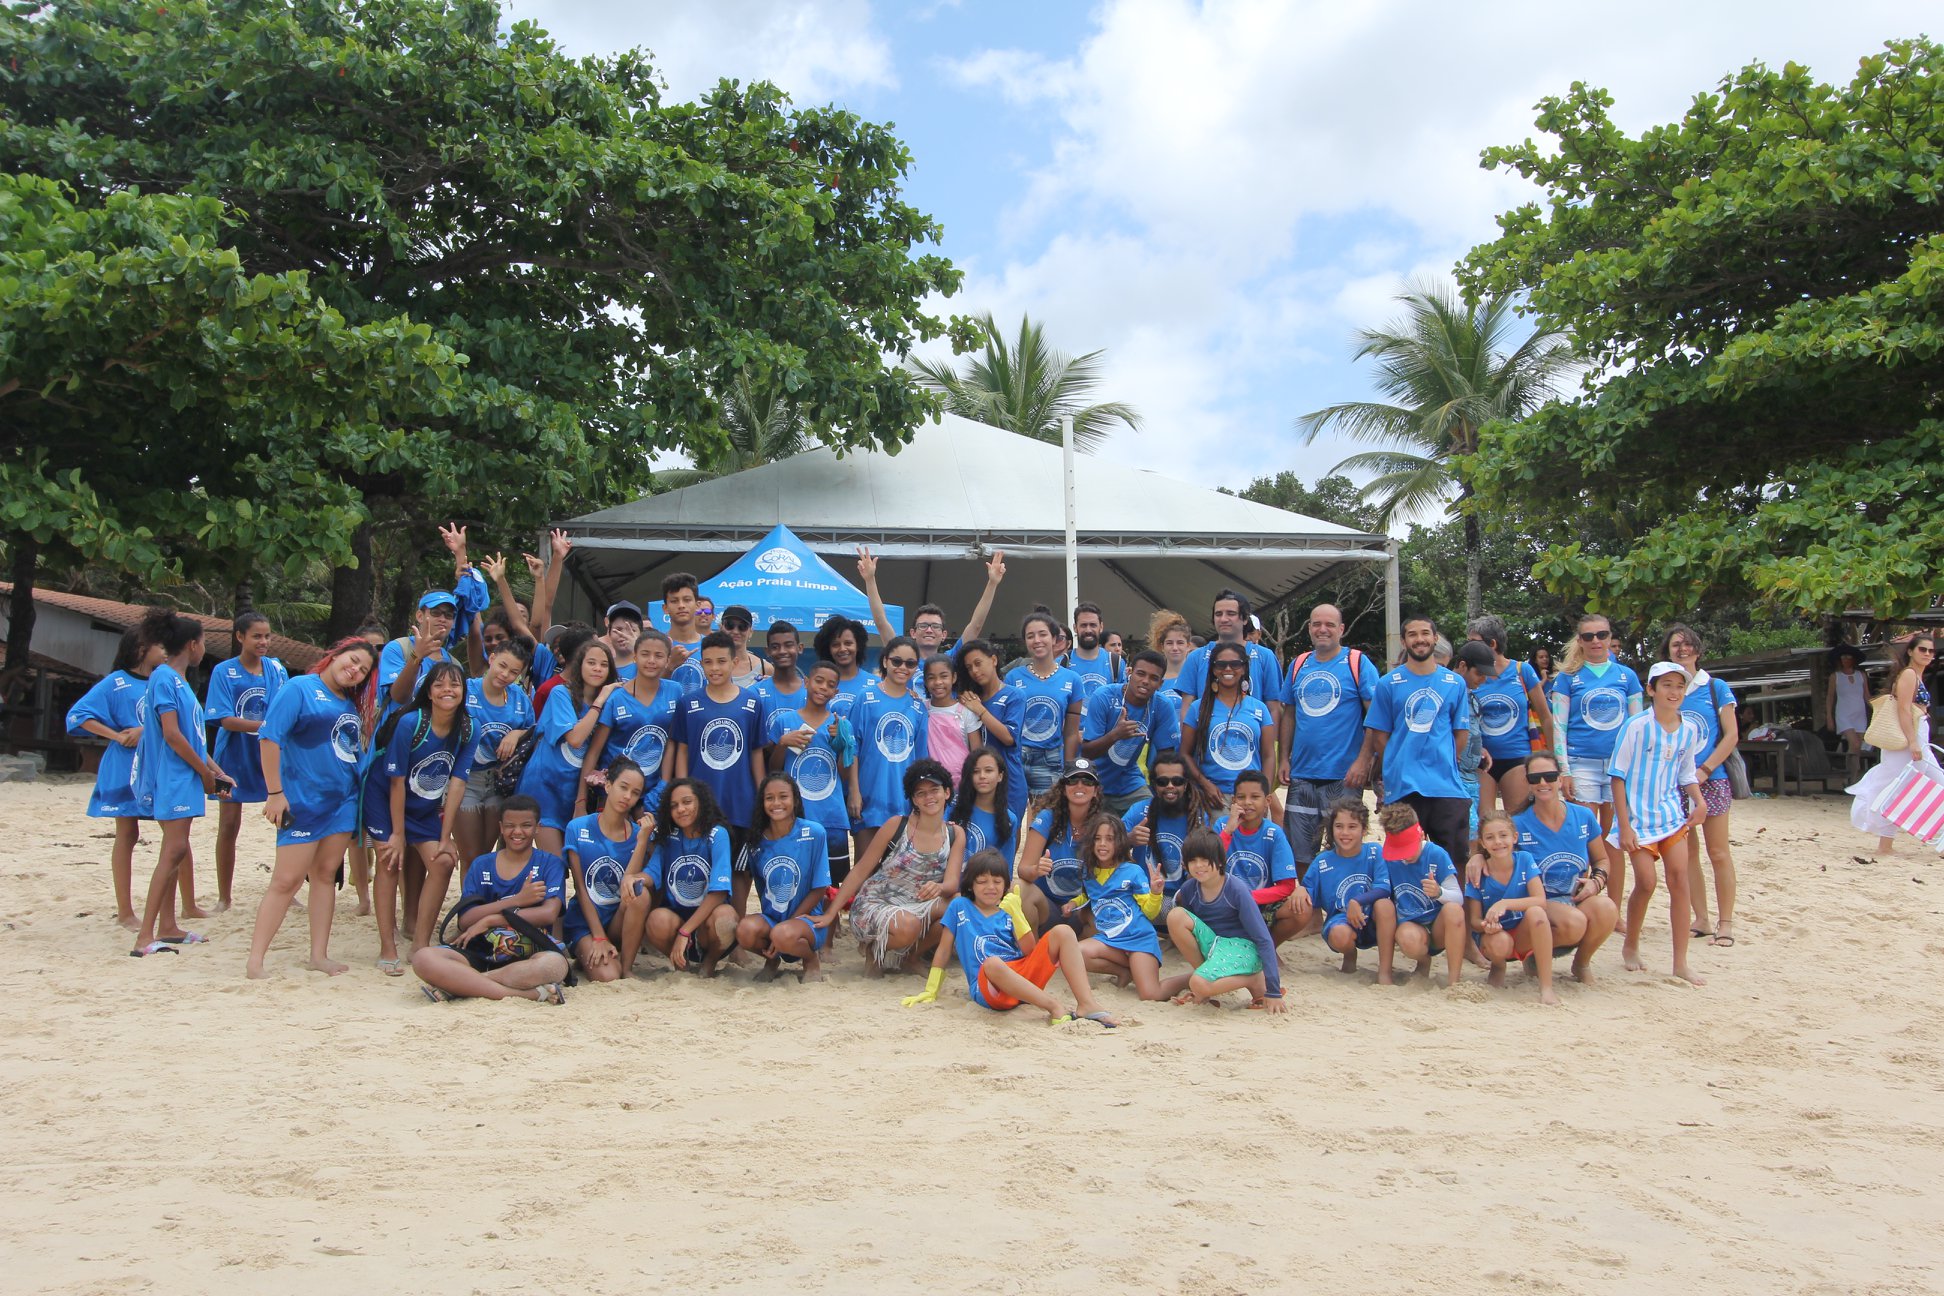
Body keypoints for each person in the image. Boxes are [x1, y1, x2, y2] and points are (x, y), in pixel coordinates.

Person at [245, 637, 377, 978]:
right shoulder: (300, 688)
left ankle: (318, 955)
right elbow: (269, 738)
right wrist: (275, 793)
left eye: (363, 670)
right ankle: (256, 961)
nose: (355, 670)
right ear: (335, 654)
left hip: (342, 802)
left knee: (324, 876)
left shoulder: (348, 703)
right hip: (302, 801)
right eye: (353, 660)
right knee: (286, 881)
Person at [906, 849, 1121, 1026]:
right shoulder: (960, 906)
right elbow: (944, 949)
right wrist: (931, 989)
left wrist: (1018, 916)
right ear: (971, 884)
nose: (990, 887)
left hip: (1023, 981)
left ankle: (1087, 1003)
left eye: (997, 882)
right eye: (982, 881)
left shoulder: (1009, 908)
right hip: (990, 987)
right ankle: (1053, 1006)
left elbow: (1029, 952)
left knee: (1063, 932)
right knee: (992, 964)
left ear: (1006, 886)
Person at [128, 615, 227, 957]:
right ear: (192, 644)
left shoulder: (181, 681)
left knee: (178, 849)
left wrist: (216, 770)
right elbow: (172, 735)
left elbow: (194, 740)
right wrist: (204, 773)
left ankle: (168, 926)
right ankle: (144, 937)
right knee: (173, 851)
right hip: (173, 776)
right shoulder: (165, 679)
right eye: (201, 643)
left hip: (185, 774)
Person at [365, 661, 474, 967]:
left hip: (424, 803)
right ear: (428, 691)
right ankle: (387, 947)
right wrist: (397, 834)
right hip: (385, 797)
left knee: (443, 862)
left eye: (454, 685)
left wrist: (445, 836)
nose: (447, 691)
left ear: (464, 691)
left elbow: (457, 783)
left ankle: (421, 945)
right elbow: (396, 781)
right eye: (439, 685)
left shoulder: (468, 727)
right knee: (389, 860)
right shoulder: (411, 722)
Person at [410, 795, 569, 1005]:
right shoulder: (481, 864)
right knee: (423, 959)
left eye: (526, 825)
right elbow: (465, 920)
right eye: (510, 826)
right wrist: (517, 900)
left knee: (554, 965)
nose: (518, 832)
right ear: (501, 828)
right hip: (479, 949)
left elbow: (547, 913)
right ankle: (527, 994)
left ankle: (462, 986)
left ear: (537, 828)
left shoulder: (550, 863)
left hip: (530, 950)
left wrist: (491, 920)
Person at [66, 611, 169, 930]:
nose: (164, 649)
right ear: (141, 648)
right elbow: (78, 715)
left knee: (174, 835)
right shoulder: (117, 682)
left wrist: (145, 731)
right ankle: (125, 911)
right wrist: (118, 734)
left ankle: (178, 908)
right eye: (157, 644)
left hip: (158, 767)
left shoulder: (163, 680)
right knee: (127, 834)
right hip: (125, 768)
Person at [1609, 661, 1709, 986]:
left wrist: (1699, 800)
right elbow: (1618, 776)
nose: (1674, 692)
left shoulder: (1689, 729)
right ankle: (1631, 944)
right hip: (1638, 819)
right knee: (1647, 882)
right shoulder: (1636, 726)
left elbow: (1686, 772)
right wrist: (1623, 825)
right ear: (1651, 690)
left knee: (1680, 880)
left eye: (1679, 686)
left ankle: (1680, 962)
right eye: (1667, 685)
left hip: (1670, 816)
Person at [820, 759, 964, 973]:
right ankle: (873, 947)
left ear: (947, 793)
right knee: (908, 926)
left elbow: (952, 882)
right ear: (914, 799)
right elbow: (861, 870)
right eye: (921, 793)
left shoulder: (955, 834)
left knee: (959, 906)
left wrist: (940, 888)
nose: (929, 797)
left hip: (918, 904)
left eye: (934, 790)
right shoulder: (897, 825)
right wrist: (832, 912)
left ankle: (910, 958)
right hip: (877, 903)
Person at [1364, 616, 1473, 867]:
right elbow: (1380, 735)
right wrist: (1399, 762)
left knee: (1454, 863)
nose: (1419, 639)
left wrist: (1441, 759)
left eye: (1425, 633)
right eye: (1412, 634)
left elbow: (1461, 734)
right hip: (1403, 786)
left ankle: (1455, 908)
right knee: (1401, 862)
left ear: (1435, 638)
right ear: (1404, 641)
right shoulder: (1387, 683)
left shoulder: (1454, 683)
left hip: (1446, 787)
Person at [1277, 603, 1377, 872]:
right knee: (1300, 854)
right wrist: (1283, 758)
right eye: (1317, 624)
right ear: (1309, 628)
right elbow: (1289, 714)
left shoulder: (1357, 663)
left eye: (1330, 625)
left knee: (1344, 850)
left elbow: (1376, 717)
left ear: (1341, 629)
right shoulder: (1299, 664)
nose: (1322, 629)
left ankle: (1342, 910)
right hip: (1303, 774)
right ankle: (1308, 911)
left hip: (1344, 775)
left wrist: (1364, 760)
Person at [202, 611, 290, 913]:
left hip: (273, 755)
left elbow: (287, 710)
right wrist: (268, 726)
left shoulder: (277, 670)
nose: (264, 641)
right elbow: (224, 719)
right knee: (228, 826)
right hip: (235, 757)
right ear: (240, 637)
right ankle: (224, 896)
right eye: (257, 636)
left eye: (267, 636)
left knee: (285, 823)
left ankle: (287, 889)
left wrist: (275, 729)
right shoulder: (223, 672)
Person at [673, 631, 766, 905]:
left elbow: (756, 752)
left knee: (740, 870)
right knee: (700, 866)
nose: (715, 668)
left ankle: (735, 936)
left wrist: (760, 795)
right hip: (701, 804)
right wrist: (681, 792)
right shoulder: (688, 704)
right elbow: (682, 750)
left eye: (721, 661)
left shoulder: (752, 703)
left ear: (734, 662)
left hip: (740, 802)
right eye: (708, 662)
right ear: (701, 663)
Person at [1663, 624, 1740, 947]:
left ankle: (1726, 922)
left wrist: (1706, 769)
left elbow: (1731, 735)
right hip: (1674, 783)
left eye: (1687, 643)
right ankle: (1702, 917)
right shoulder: (1665, 688)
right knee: (1687, 853)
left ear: (1698, 648)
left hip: (1712, 778)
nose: (1682, 649)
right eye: (1675, 645)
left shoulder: (1716, 687)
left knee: (1719, 852)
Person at [1512, 750, 1619, 983]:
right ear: (1527, 784)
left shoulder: (1583, 816)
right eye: (1534, 778)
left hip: (1573, 898)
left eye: (1549, 776)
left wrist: (1596, 882)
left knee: (1607, 908)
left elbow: (1602, 859)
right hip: (1537, 906)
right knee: (1574, 922)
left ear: (1561, 779)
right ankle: (1535, 955)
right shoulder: (1517, 824)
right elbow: (1493, 852)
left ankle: (1581, 964)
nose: (1542, 783)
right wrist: (1479, 857)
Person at [1159, 827, 1285, 1011]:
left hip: (1243, 948)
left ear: (1219, 861)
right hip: (1215, 946)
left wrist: (1273, 990)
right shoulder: (1189, 889)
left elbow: (1263, 938)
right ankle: (1205, 980)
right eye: (1193, 860)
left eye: (1205, 859)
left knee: (1198, 983)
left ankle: (1253, 978)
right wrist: (1155, 894)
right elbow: (1191, 929)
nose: (1199, 865)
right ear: (1185, 864)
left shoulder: (1236, 889)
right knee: (1175, 916)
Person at [516, 637, 617, 854]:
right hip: (545, 787)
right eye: (591, 662)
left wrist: (580, 802)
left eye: (604, 664)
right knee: (555, 864)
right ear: (579, 664)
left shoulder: (613, 702)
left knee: (576, 862)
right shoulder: (561, 693)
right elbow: (575, 738)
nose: (597, 669)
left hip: (573, 791)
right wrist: (600, 702)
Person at [1551, 613, 1644, 847]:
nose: (1596, 641)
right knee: (1585, 839)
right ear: (1580, 640)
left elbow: (1638, 727)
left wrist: (1636, 767)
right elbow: (1558, 727)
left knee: (1614, 841)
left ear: (1610, 637)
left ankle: (1614, 886)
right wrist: (1564, 770)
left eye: (1602, 635)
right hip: (1581, 763)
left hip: (1618, 766)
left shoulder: (1627, 676)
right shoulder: (1567, 678)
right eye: (1588, 636)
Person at [765, 659, 861, 881]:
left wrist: (842, 744)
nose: (823, 688)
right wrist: (782, 743)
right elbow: (774, 769)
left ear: (836, 691)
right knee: (794, 882)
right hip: (794, 817)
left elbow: (843, 774)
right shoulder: (784, 721)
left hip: (831, 817)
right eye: (819, 681)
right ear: (806, 682)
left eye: (830, 685)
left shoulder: (840, 726)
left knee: (832, 889)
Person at [562, 758, 654, 983]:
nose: (627, 797)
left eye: (635, 792)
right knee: (607, 975)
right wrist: (599, 937)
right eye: (623, 787)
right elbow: (580, 888)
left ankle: (628, 966)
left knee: (639, 893)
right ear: (608, 785)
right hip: (584, 922)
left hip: (617, 921)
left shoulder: (637, 834)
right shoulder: (578, 827)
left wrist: (642, 841)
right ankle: (587, 952)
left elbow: (628, 886)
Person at [1848, 634, 1939, 855]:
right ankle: (1886, 844)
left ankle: (1888, 844)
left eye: (1931, 651)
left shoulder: (1916, 675)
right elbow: (1903, 710)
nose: (1927, 654)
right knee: (1899, 788)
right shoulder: (1909, 674)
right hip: (1909, 737)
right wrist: (1913, 742)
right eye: (1922, 650)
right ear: (1910, 651)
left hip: (1917, 735)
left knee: (1904, 787)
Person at [737, 773, 833, 983]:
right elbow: (752, 884)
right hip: (773, 920)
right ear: (762, 803)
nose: (776, 803)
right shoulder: (755, 841)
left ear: (795, 800)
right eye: (769, 798)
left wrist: (790, 922)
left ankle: (810, 959)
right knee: (744, 930)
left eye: (783, 796)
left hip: (807, 921)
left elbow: (820, 888)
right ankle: (772, 960)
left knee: (782, 934)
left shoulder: (814, 832)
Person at [581, 628, 681, 820]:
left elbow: (671, 742)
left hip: (653, 790)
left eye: (658, 655)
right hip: (616, 790)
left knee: (649, 845)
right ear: (634, 656)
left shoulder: (675, 691)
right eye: (645, 654)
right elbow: (594, 751)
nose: (651, 660)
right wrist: (581, 801)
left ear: (668, 660)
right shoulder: (616, 698)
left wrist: (665, 783)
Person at [643, 778, 739, 976]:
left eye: (687, 802)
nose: (681, 809)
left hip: (708, 926)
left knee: (726, 917)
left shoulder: (717, 834)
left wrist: (685, 932)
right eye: (674, 805)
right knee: (656, 919)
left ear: (701, 802)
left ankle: (709, 963)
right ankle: (682, 966)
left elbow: (719, 892)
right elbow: (651, 874)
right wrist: (634, 879)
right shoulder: (669, 836)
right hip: (677, 920)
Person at [1465, 810, 1559, 1005]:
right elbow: (1473, 921)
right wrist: (1486, 925)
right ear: (1482, 843)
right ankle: (1498, 966)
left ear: (1515, 837)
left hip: (1522, 931)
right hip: (1495, 937)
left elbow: (1540, 900)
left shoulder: (1524, 859)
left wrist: (1504, 904)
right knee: (1499, 942)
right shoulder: (1477, 872)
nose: (1498, 842)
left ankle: (1546, 986)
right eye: (1490, 838)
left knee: (1537, 912)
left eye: (1503, 835)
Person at [1072, 813, 1166, 1000]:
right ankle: (1125, 971)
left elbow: (1150, 912)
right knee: (1077, 954)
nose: (1102, 844)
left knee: (1150, 994)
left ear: (1120, 842)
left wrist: (1156, 893)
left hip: (1139, 939)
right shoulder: (1088, 871)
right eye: (1097, 839)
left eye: (1109, 839)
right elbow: (1088, 895)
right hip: (1110, 940)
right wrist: (1073, 903)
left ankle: (1188, 979)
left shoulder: (1132, 871)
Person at [458, 636, 534, 868]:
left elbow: (533, 730)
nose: (505, 675)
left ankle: (482, 902)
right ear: (491, 658)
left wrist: (516, 734)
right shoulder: (466, 688)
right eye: (502, 665)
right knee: (470, 857)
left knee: (485, 855)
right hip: (466, 780)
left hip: (499, 783)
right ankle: (470, 904)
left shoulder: (519, 698)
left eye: (513, 672)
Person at [1465, 614, 1552, 814]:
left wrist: (1553, 757)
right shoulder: (1471, 673)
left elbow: (1546, 716)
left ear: (1492, 644)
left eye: (1474, 643)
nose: (1469, 648)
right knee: (1483, 821)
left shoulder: (1523, 671)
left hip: (1517, 756)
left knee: (1518, 819)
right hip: (1481, 758)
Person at [1373, 802, 1465, 987]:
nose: (1405, 856)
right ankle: (1423, 961)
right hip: (1411, 926)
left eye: (1408, 848)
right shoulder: (1388, 858)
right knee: (1407, 937)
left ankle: (1454, 981)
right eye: (1400, 850)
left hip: (1439, 926)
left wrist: (1439, 892)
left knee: (1454, 911)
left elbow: (1458, 897)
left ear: (1422, 835)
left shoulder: (1437, 854)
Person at [857, 545, 1007, 658]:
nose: (929, 630)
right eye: (923, 626)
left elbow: (976, 626)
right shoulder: (903, 659)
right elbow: (881, 623)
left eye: (935, 626)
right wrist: (870, 580)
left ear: (944, 634)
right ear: (913, 633)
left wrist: (992, 583)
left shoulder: (951, 659)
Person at [1080, 649, 1181, 816]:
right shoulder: (1103, 696)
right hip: (1092, 780)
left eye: (1154, 678)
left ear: (1160, 684)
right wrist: (1115, 735)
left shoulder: (1162, 705)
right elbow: (1087, 751)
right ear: (1129, 672)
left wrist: (1164, 792)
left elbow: (1166, 756)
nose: (1145, 681)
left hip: (1129, 780)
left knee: (1151, 816)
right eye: (1140, 674)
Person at [851, 636, 932, 841]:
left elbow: (921, 761)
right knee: (865, 869)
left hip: (903, 801)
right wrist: (854, 791)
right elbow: (852, 749)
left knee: (898, 871)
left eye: (910, 663)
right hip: (869, 798)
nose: (902, 667)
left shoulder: (918, 707)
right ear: (885, 661)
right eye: (897, 661)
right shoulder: (865, 698)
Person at [1181, 641, 1276, 804]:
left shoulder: (1259, 708)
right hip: (1212, 798)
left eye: (1235, 664)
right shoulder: (1198, 708)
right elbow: (1184, 754)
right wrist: (1205, 785)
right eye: (1221, 664)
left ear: (1245, 668)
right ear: (1213, 669)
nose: (1227, 669)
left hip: (1250, 798)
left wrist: (1263, 793)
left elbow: (1268, 755)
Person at [1303, 797, 1389, 975]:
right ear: (1332, 828)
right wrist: (1299, 890)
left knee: (1385, 905)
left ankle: (1385, 970)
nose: (1345, 832)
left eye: (1352, 827)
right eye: (1339, 826)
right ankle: (1350, 955)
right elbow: (1307, 890)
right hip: (1341, 921)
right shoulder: (1323, 861)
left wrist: (1357, 901)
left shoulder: (1374, 852)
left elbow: (1384, 888)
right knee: (1340, 936)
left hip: (1372, 920)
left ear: (1364, 830)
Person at [1016, 759, 1103, 931]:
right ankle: (1032, 954)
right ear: (1063, 788)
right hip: (1048, 907)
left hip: (1081, 909)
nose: (1079, 785)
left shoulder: (1102, 825)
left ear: (1096, 791)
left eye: (1087, 781)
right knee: (1018, 888)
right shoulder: (1047, 818)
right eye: (1072, 780)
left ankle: (1080, 953)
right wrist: (1035, 870)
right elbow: (1023, 868)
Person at [1124, 750, 1220, 906]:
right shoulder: (1139, 810)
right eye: (1163, 782)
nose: (1170, 786)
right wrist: (1128, 840)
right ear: (1154, 784)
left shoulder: (1198, 817)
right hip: (1144, 897)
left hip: (1181, 897)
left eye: (1177, 781)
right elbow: (1105, 846)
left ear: (1186, 784)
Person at [1004, 610, 1083, 797]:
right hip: (1016, 756)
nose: (1037, 640)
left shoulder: (1072, 680)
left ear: (1055, 639)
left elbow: (1071, 733)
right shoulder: (1012, 677)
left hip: (1051, 759)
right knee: (1012, 819)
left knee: (1047, 819)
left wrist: (1069, 770)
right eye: (1030, 636)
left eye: (1043, 634)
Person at [1172, 590, 1281, 718]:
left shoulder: (1265, 657)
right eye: (1218, 614)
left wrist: (1271, 739)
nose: (1223, 619)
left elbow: (1274, 709)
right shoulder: (1196, 657)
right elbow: (1187, 708)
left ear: (1245, 618)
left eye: (1231, 613)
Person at [954, 638, 1026, 822]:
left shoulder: (1013, 695)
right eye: (969, 668)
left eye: (978, 663)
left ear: (993, 660)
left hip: (1009, 779)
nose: (975, 671)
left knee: (1009, 833)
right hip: (980, 780)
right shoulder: (969, 697)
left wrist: (980, 710)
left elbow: (1009, 737)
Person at [378, 590, 460, 720]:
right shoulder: (398, 648)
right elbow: (399, 696)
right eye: (435, 613)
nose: (442, 619)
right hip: (396, 737)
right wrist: (417, 656)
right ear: (420, 616)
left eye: (449, 615)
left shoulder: (454, 664)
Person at [948, 748, 1017, 860]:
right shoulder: (952, 805)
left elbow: (1005, 867)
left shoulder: (1009, 819)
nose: (982, 776)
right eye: (975, 771)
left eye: (988, 770)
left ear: (1000, 776)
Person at [922, 655, 982, 777]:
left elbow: (977, 753)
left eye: (944, 676)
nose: (938, 682)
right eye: (931, 677)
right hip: (931, 781)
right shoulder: (921, 709)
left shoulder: (966, 712)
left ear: (953, 677)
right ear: (925, 681)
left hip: (962, 781)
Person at [812, 616, 878, 717]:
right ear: (828, 649)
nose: (842, 649)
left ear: (858, 645)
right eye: (835, 644)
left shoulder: (877, 684)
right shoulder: (817, 686)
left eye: (848, 643)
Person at [1062, 601, 1123, 700]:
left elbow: (1124, 701)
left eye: (1093, 625)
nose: (1088, 630)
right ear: (1074, 627)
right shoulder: (1063, 663)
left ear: (1101, 627)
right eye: (1083, 625)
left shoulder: (1116, 663)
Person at [1825, 645, 1872, 774]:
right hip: (1844, 715)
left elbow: (1867, 696)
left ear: (1854, 659)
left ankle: (1853, 776)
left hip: (1859, 715)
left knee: (1857, 748)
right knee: (1855, 744)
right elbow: (1830, 698)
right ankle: (1849, 775)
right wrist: (1829, 717)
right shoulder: (1835, 676)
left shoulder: (1861, 675)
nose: (1846, 659)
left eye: (1849, 657)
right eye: (1843, 657)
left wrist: (1878, 708)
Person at [659, 572, 707, 692]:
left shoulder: (711, 645)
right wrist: (669, 667)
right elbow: (644, 691)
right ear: (665, 608)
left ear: (697, 605)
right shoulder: (656, 645)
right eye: (674, 601)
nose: (681, 606)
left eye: (687, 600)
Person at [755, 622, 807, 724]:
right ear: (767, 651)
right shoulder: (755, 693)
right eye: (775, 647)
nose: (782, 651)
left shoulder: (812, 693)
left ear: (800, 648)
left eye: (788, 645)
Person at [715, 605, 773, 690]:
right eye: (729, 625)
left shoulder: (765, 668)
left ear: (750, 632)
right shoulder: (709, 664)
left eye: (742, 627)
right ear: (720, 628)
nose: (735, 631)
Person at [1148, 609, 1194, 694]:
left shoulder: (1196, 677)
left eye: (1180, 643)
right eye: (1169, 643)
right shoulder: (1154, 678)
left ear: (1188, 646)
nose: (1175, 648)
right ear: (1162, 646)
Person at [601, 600, 644, 677]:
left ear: (640, 635)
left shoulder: (649, 666)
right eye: (618, 629)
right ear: (609, 633)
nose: (624, 635)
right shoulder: (601, 669)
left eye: (632, 630)